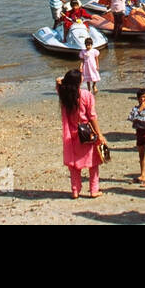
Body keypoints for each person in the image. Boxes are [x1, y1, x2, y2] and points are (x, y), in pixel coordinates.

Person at [58, 69, 104, 198]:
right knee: (94, 162)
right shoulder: (86, 95)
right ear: (79, 81)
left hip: (71, 133)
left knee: (74, 165)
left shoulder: (64, 94)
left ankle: (75, 190)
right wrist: (99, 133)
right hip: (86, 132)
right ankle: (94, 190)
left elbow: (58, 81)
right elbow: (92, 116)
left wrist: (65, 81)